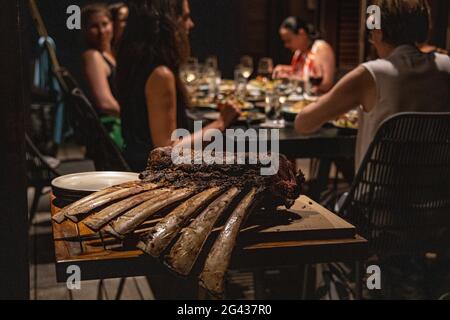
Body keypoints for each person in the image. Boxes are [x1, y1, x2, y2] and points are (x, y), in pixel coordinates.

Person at [295, 0, 450, 170]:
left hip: (377, 194)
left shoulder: (372, 74)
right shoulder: (446, 66)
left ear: (379, 32)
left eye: (372, 33)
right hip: (437, 194)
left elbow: (303, 123)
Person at [117, 0, 240, 172]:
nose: (191, 24)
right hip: (151, 177)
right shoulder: (160, 74)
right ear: (169, 22)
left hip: (134, 163)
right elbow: (168, 150)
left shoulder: (134, 61)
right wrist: (221, 122)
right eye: (186, 17)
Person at [81, 3, 124, 148]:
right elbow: (105, 104)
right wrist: (135, 118)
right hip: (111, 131)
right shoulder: (93, 56)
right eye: (94, 26)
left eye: (105, 24)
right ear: (85, 30)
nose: (101, 31)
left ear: (112, 24)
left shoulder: (111, 54)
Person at [273, 17, 336, 93]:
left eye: (288, 40)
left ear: (301, 33)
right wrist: (284, 69)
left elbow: (326, 84)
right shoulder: (299, 51)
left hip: (318, 100)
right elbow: (301, 71)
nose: (286, 45)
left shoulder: (321, 48)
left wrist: (293, 78)